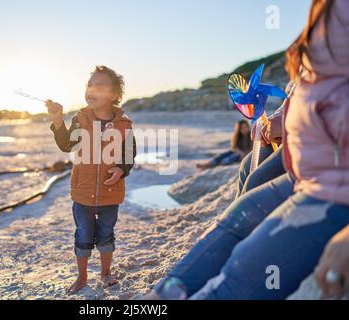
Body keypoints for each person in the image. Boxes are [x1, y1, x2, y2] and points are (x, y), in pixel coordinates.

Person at [143, 0, 349, 300]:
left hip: (334, 196)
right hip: (303, 176)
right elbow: (308, 88)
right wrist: (280, 119)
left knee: (233, 283)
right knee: (227, 231)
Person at [46, 66, 137, 294]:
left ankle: (105, 273)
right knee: (83, 234)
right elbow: (66, 144)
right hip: (83, 191)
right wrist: (58, 120)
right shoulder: (81, 118)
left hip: (110, 191)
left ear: (114, 95)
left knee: (106, 234)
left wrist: (121, 169)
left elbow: (130, 153)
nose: (92, 89)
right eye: (90, 84)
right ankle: (82, 276)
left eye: (100, 85)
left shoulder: (124, 124)